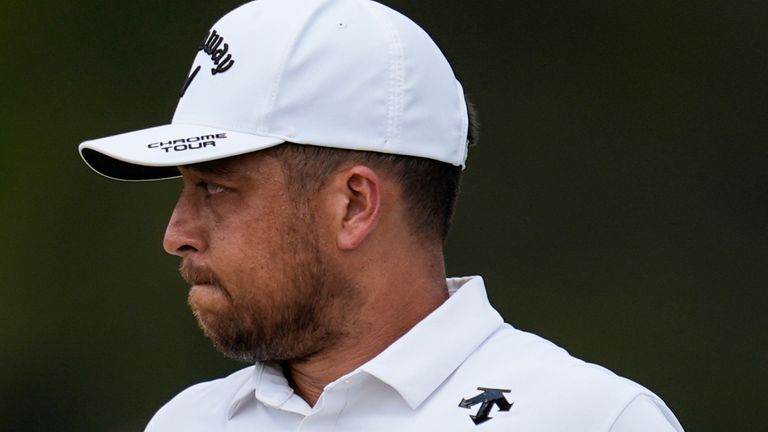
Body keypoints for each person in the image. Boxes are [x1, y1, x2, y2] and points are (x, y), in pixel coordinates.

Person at [79, 0, 685, 430]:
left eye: (214, 189)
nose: (176, 236)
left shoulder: (594, 420)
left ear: (354, 205)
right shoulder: (187, 422)